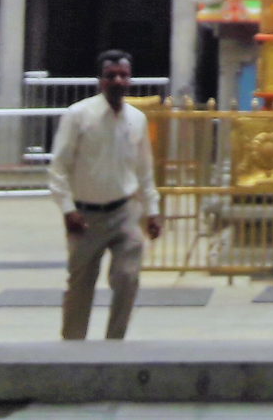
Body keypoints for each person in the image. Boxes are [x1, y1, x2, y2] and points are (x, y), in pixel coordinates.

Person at [46, 50, 163, 340]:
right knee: (80, 287)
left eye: (123, 74)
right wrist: (67, 209)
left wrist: (152, 211)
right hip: (84, 217)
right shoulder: (78, 116)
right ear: (101, 81)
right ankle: (73, 351)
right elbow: (58, 167)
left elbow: (145, 171)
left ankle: (114, 345)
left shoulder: (137, 120)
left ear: (130, 79)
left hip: (124, 213)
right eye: (111, 75)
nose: (118, 80)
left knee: (127, 277)